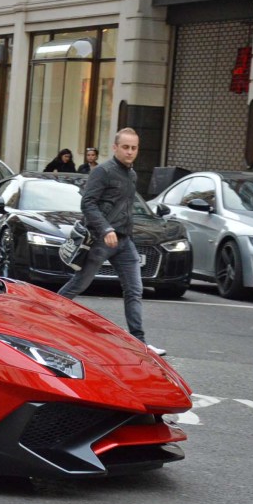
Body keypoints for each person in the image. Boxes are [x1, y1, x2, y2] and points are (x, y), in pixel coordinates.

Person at [57, 128, 165, 357]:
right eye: (125, 147)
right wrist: (105, 228)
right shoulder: (103, 172)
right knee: (79, 284)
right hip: (101, 241)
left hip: (125, 242)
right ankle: (43, 319)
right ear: (115, 147)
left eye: (134, 148)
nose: (130, 152)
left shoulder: (132, 174)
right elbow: (88, 204)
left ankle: (139, 342)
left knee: (135, 290)